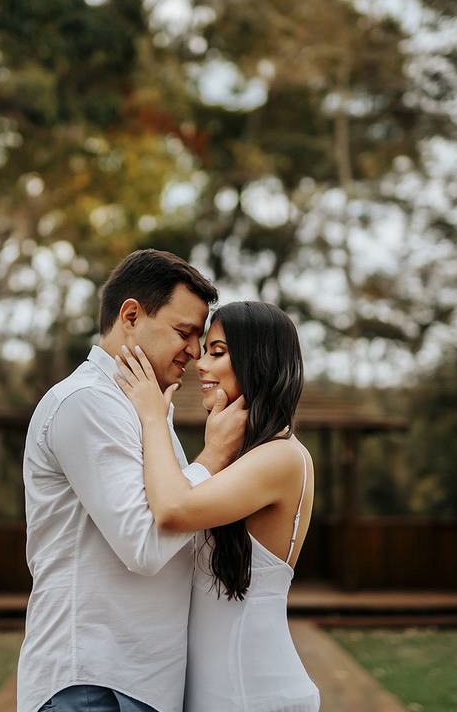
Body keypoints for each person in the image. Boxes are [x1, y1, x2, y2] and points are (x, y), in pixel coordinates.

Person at [16, 249, 247, 712]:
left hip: (138, 679)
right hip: (93, 683)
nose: (195, 351)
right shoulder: (86, 403)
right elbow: (143, 543)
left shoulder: (142, 410)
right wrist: (215, 456)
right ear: (131, 316)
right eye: (184, 332)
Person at [114, 300, 320, 712]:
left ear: (258, 360)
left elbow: (172, 509)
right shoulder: (241, 458)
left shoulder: (281, 457)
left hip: (252, 692)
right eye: (205, 350)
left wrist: (155, 417)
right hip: (216, 694)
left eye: (218, 352)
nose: (200, 365)